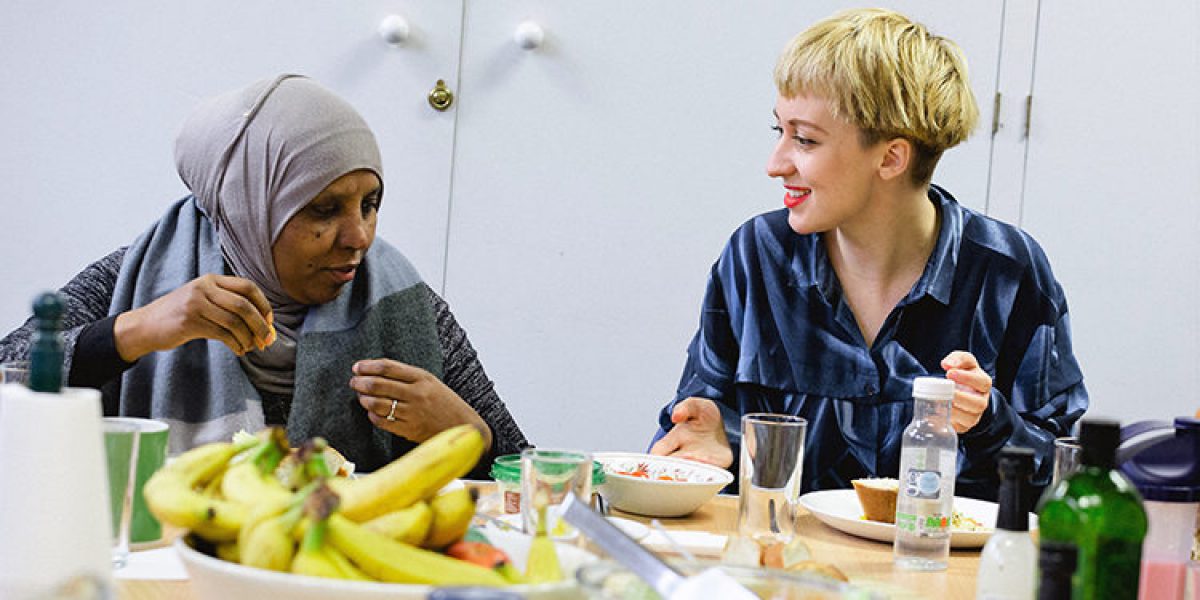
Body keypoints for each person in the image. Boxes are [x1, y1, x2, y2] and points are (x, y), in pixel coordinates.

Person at [648, 8, 1087, 501]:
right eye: (780, 132)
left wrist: (988, 422)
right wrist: (711, 441)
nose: (775, 165)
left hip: (941, 575)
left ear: (891, 157)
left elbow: (1067, 483)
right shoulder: (757, 256)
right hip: (782, 568)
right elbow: (691, 439)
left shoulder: (1006, 270)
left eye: (806, 139)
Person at [0, 74, 528, 476]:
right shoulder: (135, 281)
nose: (359, 237)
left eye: (370, 204)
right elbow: (9, 377)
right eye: (324, 210)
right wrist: (137, 331)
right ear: (247, 207)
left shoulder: (403, 302)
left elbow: (533, 478)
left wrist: (471, 436)